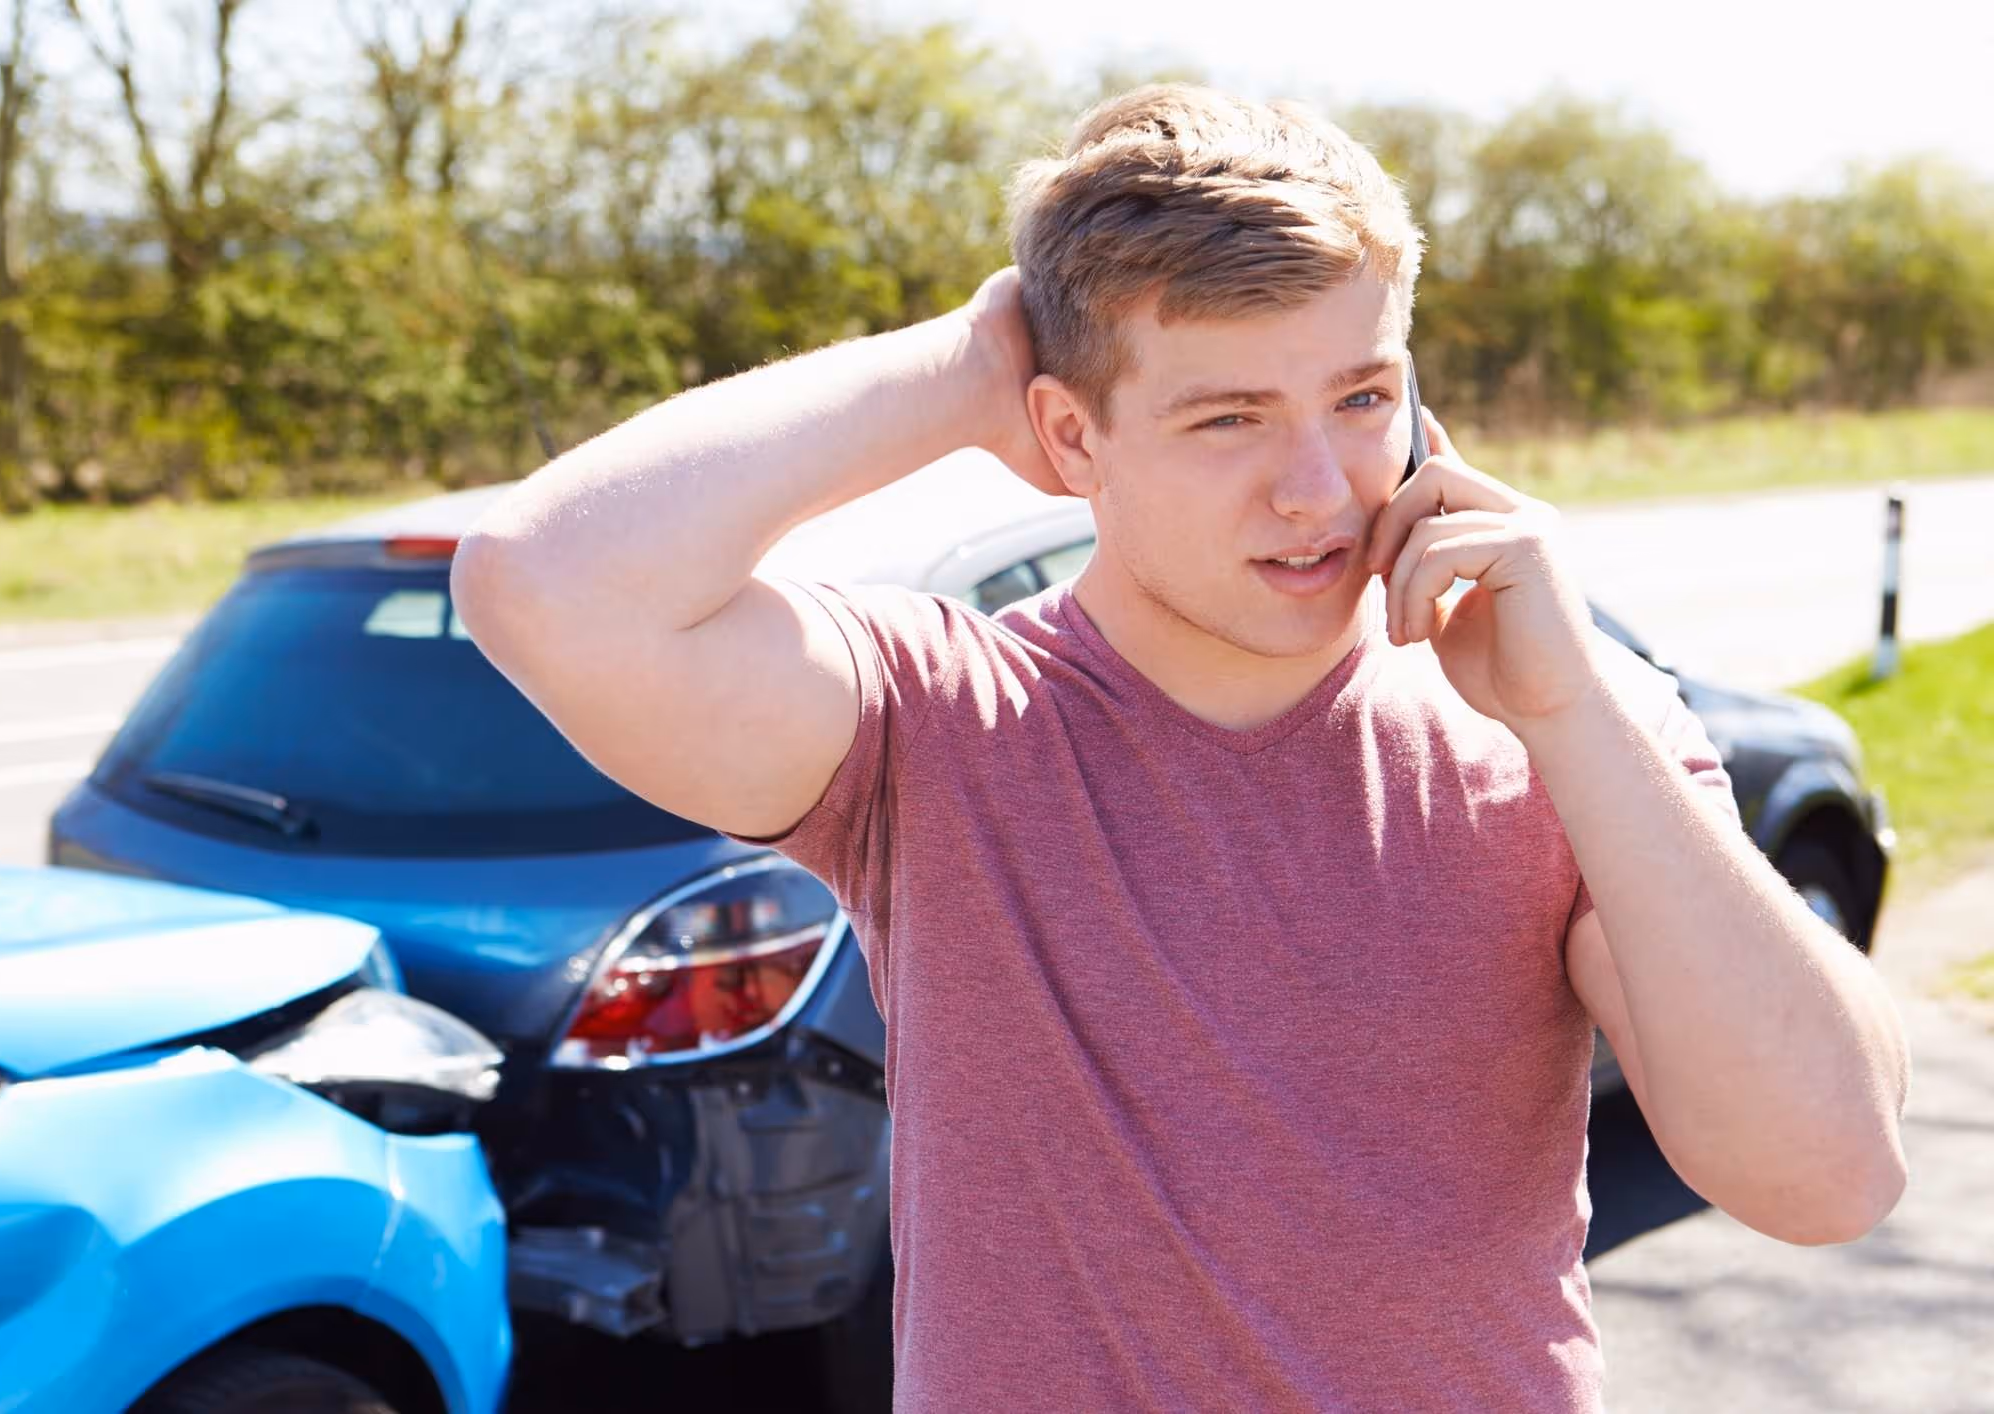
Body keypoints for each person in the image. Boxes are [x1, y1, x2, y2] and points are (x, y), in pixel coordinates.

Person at [451, 83, 1911, 1414]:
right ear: (1068, 441)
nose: (1318, 487)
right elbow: (538, 581)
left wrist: (1580, 710)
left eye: (1360, 396)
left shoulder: (1560, 728)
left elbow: (1832, 1173)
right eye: (1228, 417)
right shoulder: (938, 720)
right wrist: (969, 363)